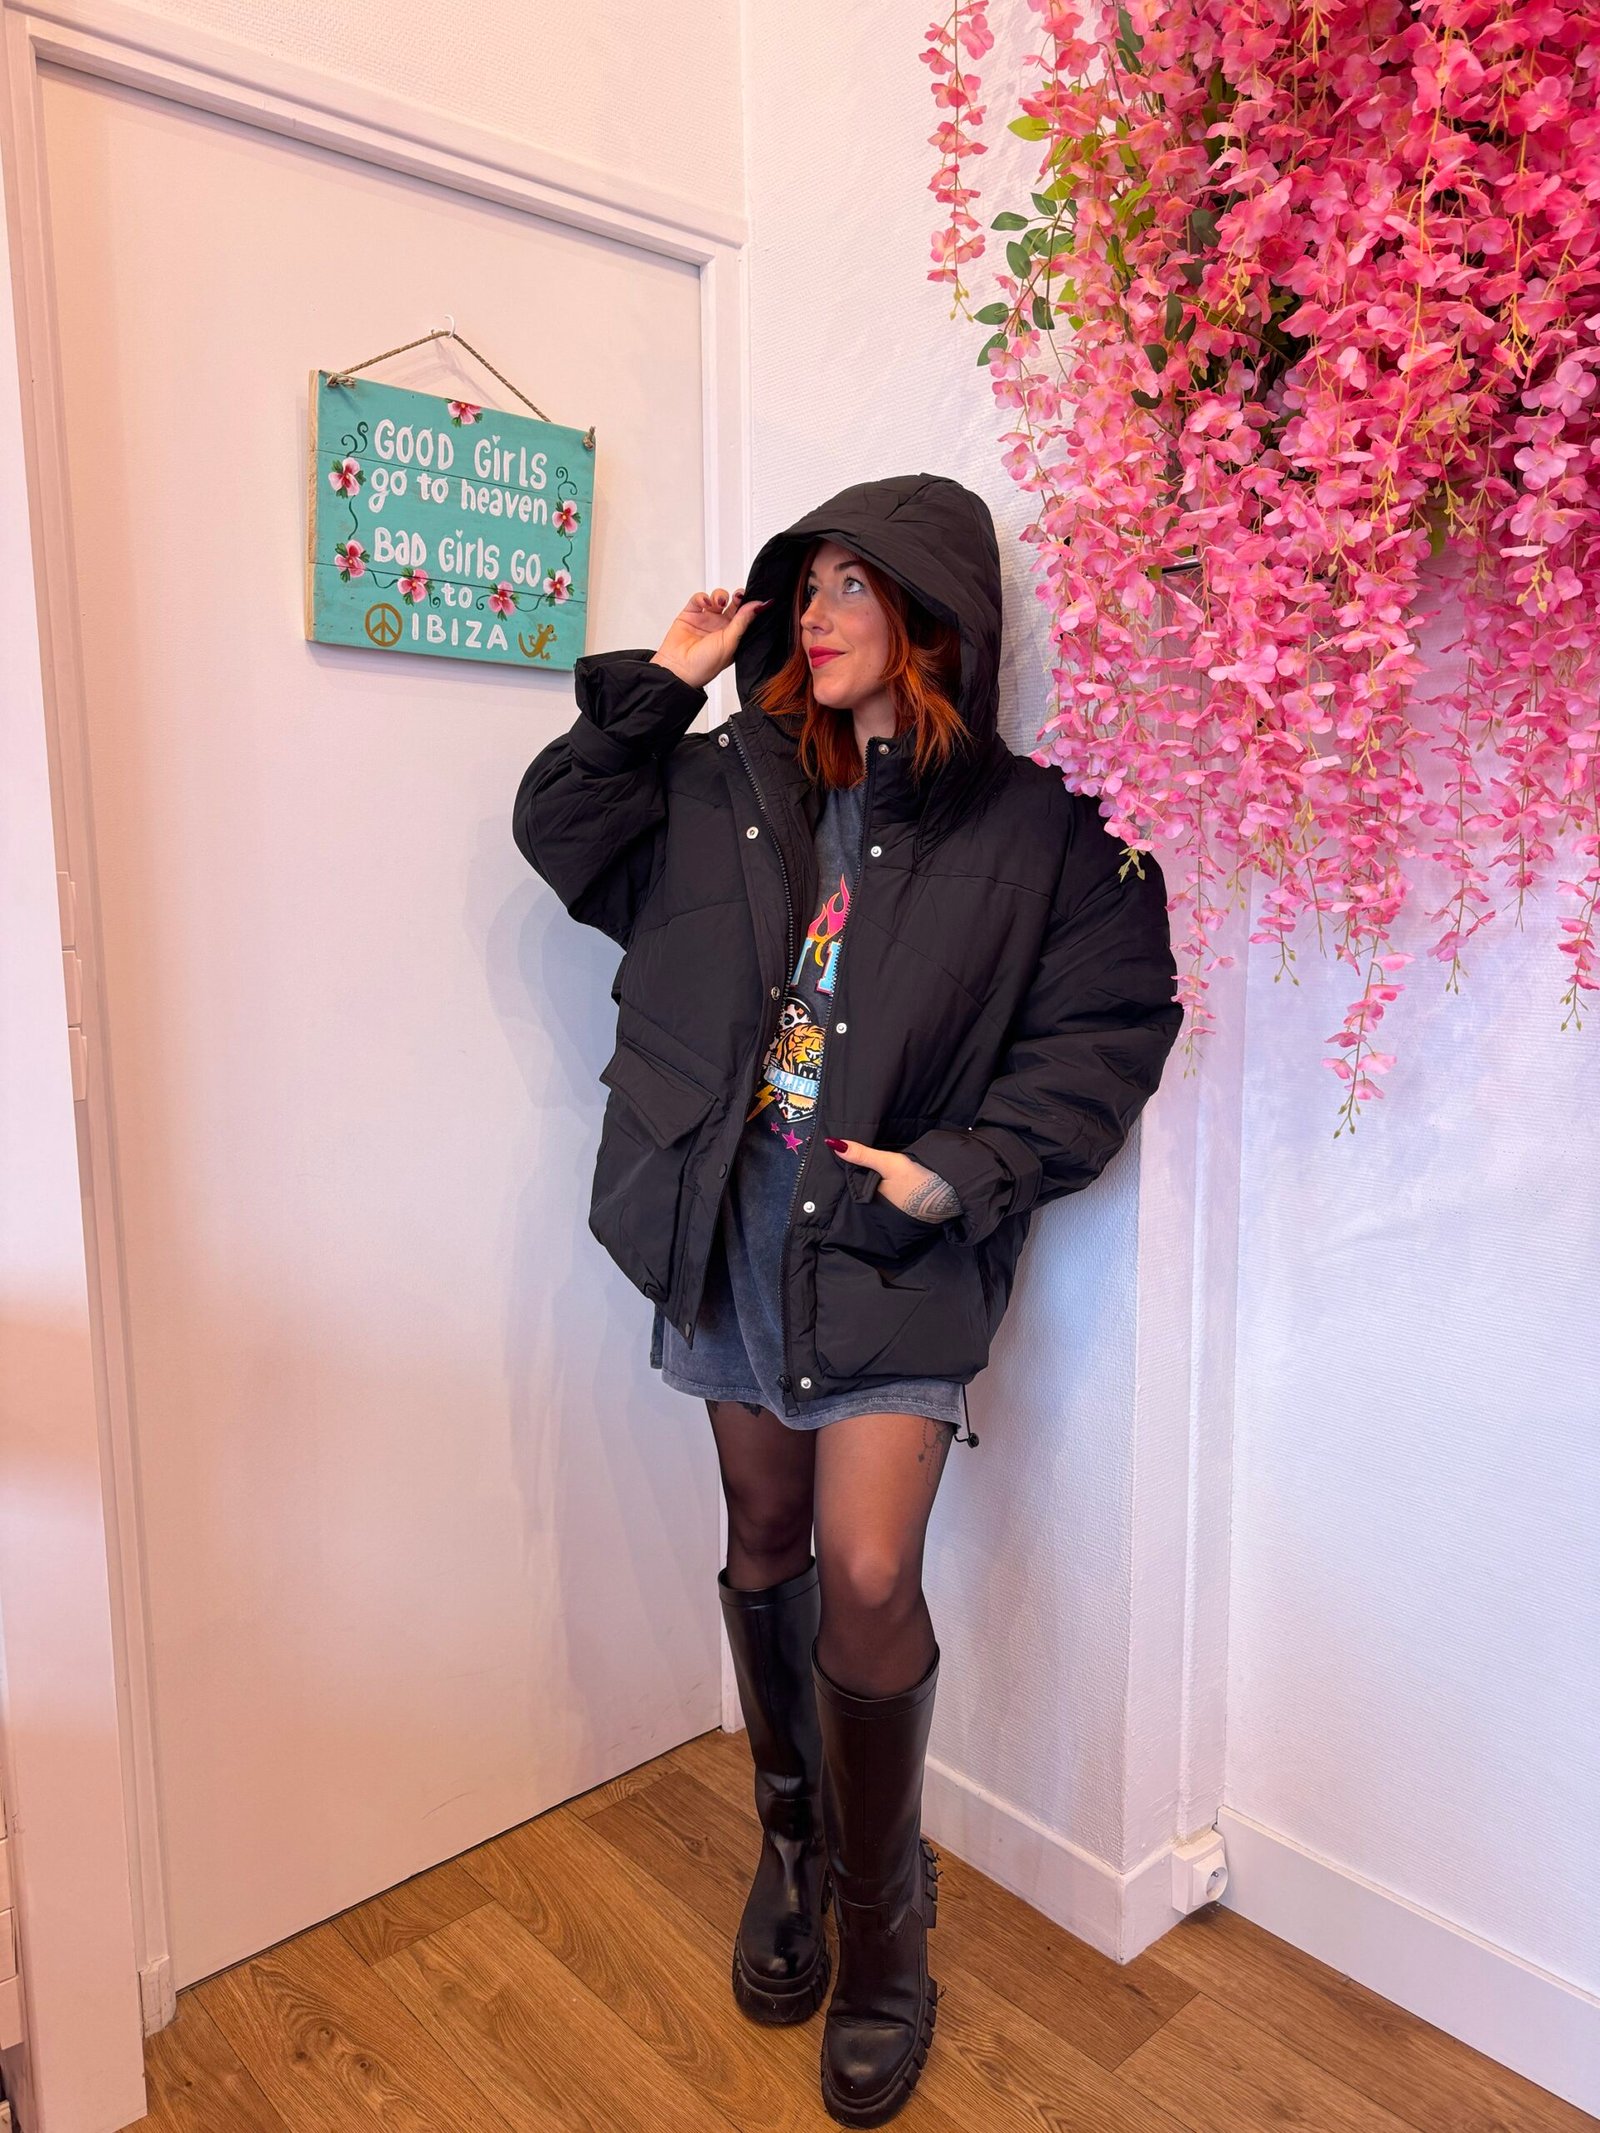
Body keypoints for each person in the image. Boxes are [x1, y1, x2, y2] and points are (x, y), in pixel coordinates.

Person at [512, 471, 1182, 2128]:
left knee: (870, 1567)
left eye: (851, 586)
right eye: (804, 584)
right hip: (728, 1217)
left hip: (885, 1241)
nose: (814, 613)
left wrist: (962, 1167)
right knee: (763, 1531)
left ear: (932, 614)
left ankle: (887, 1930)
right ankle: (792, 1843)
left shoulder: (1040, 834)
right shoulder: (726, 777)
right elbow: (563, 836)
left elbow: (1109, 1028)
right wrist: (664, 683)